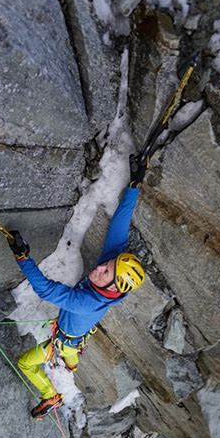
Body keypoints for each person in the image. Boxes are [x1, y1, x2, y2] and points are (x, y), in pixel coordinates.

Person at [8, 155, 148, 419]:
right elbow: (120, 223)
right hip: (74, 338)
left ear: (114, 287)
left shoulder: (87, 302)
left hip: (63, 341)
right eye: (107, 265)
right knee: (71, 358)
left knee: (25, 363)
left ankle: (51, 396)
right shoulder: (112, 273)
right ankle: (70, 365)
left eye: (105, 271)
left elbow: (48, 290)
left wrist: (23, 258)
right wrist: (135, 184)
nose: (99, 267)